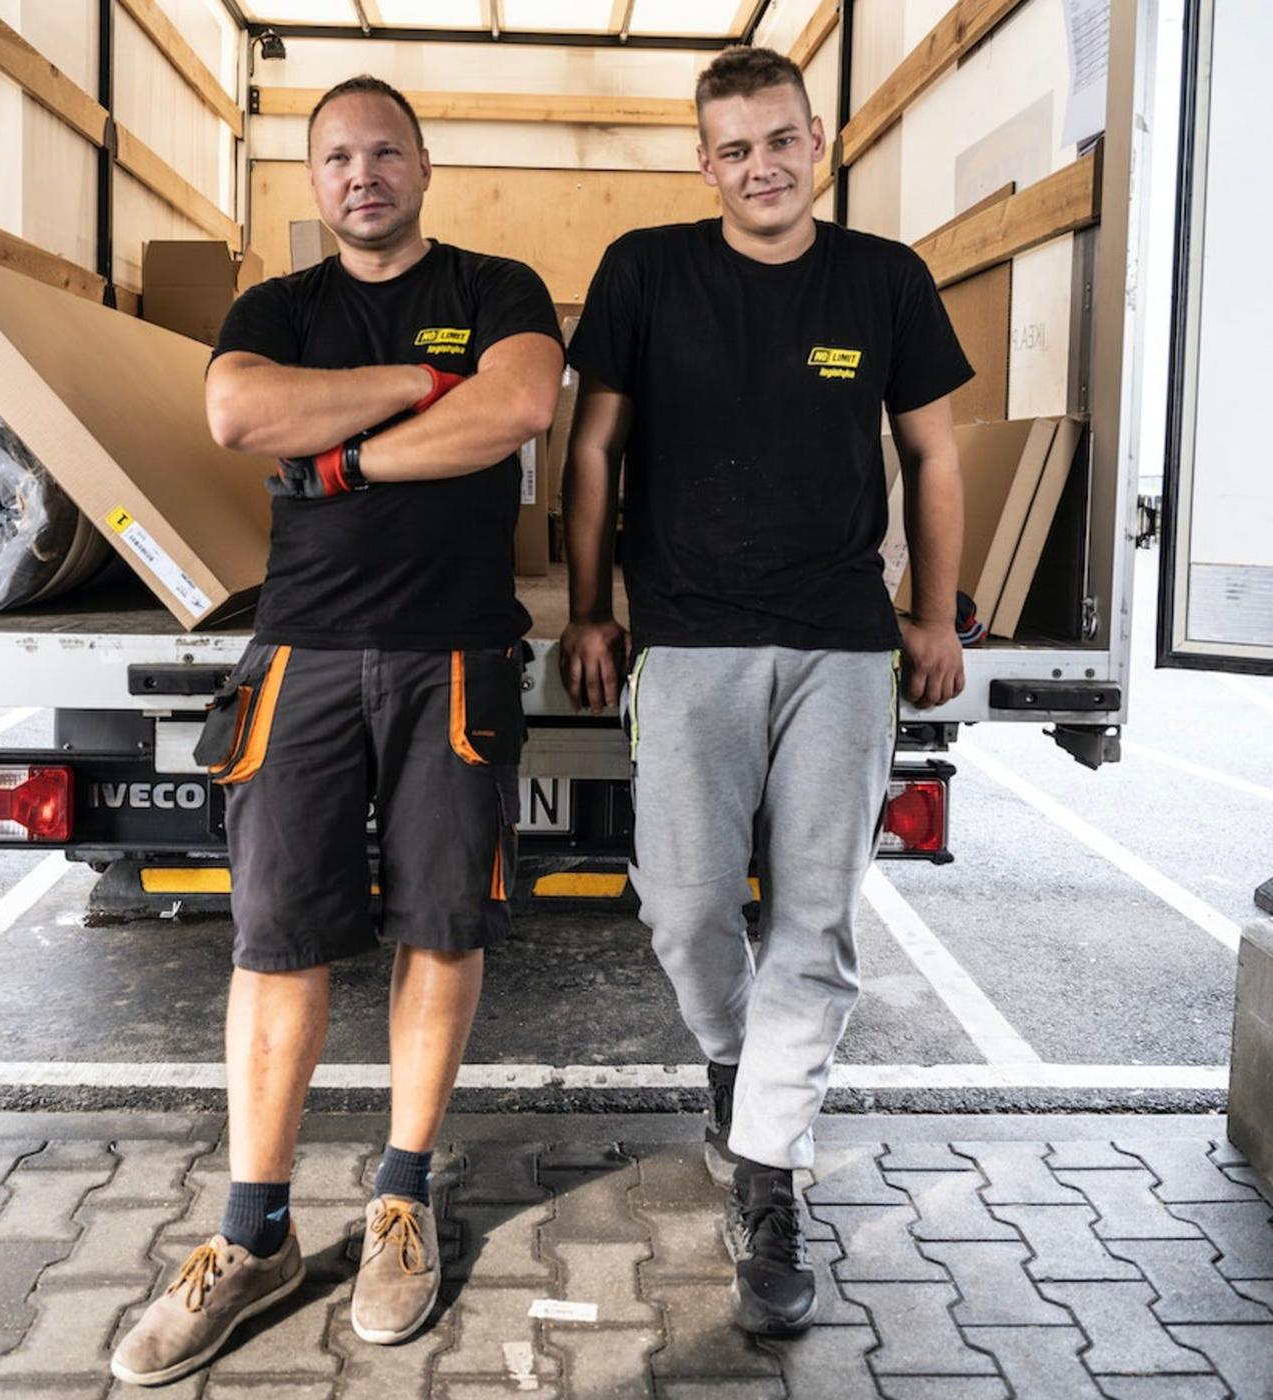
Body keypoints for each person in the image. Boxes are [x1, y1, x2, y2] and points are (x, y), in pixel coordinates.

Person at [111, 74, 562, 1385]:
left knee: (442, 923)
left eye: (384, 152)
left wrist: (350, 452)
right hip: (301, 653)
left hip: (455, 656)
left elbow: (520, 408)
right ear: (316, 185)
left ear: (424, 164)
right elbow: (241, 413)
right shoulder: (275, 310)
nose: (362, 174)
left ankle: (401, 1201)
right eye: (337, 160)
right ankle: (253, 1237)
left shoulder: (501, 289)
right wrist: (419, 387)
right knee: (277, 936)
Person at [559, 45, 971, 1337]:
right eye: (734, 148)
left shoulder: (884, 280)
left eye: (781, 140)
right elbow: (591, 448)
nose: (762, 167)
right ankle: (742, 1071)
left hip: (845, 646)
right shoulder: (646, 271)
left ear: (819, 142)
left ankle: (771, 1178)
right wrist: (587, 608)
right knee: (683, 913)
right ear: (705, 162)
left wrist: (930, 611)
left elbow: (933, 453)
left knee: (816, 922)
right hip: (685, 639)